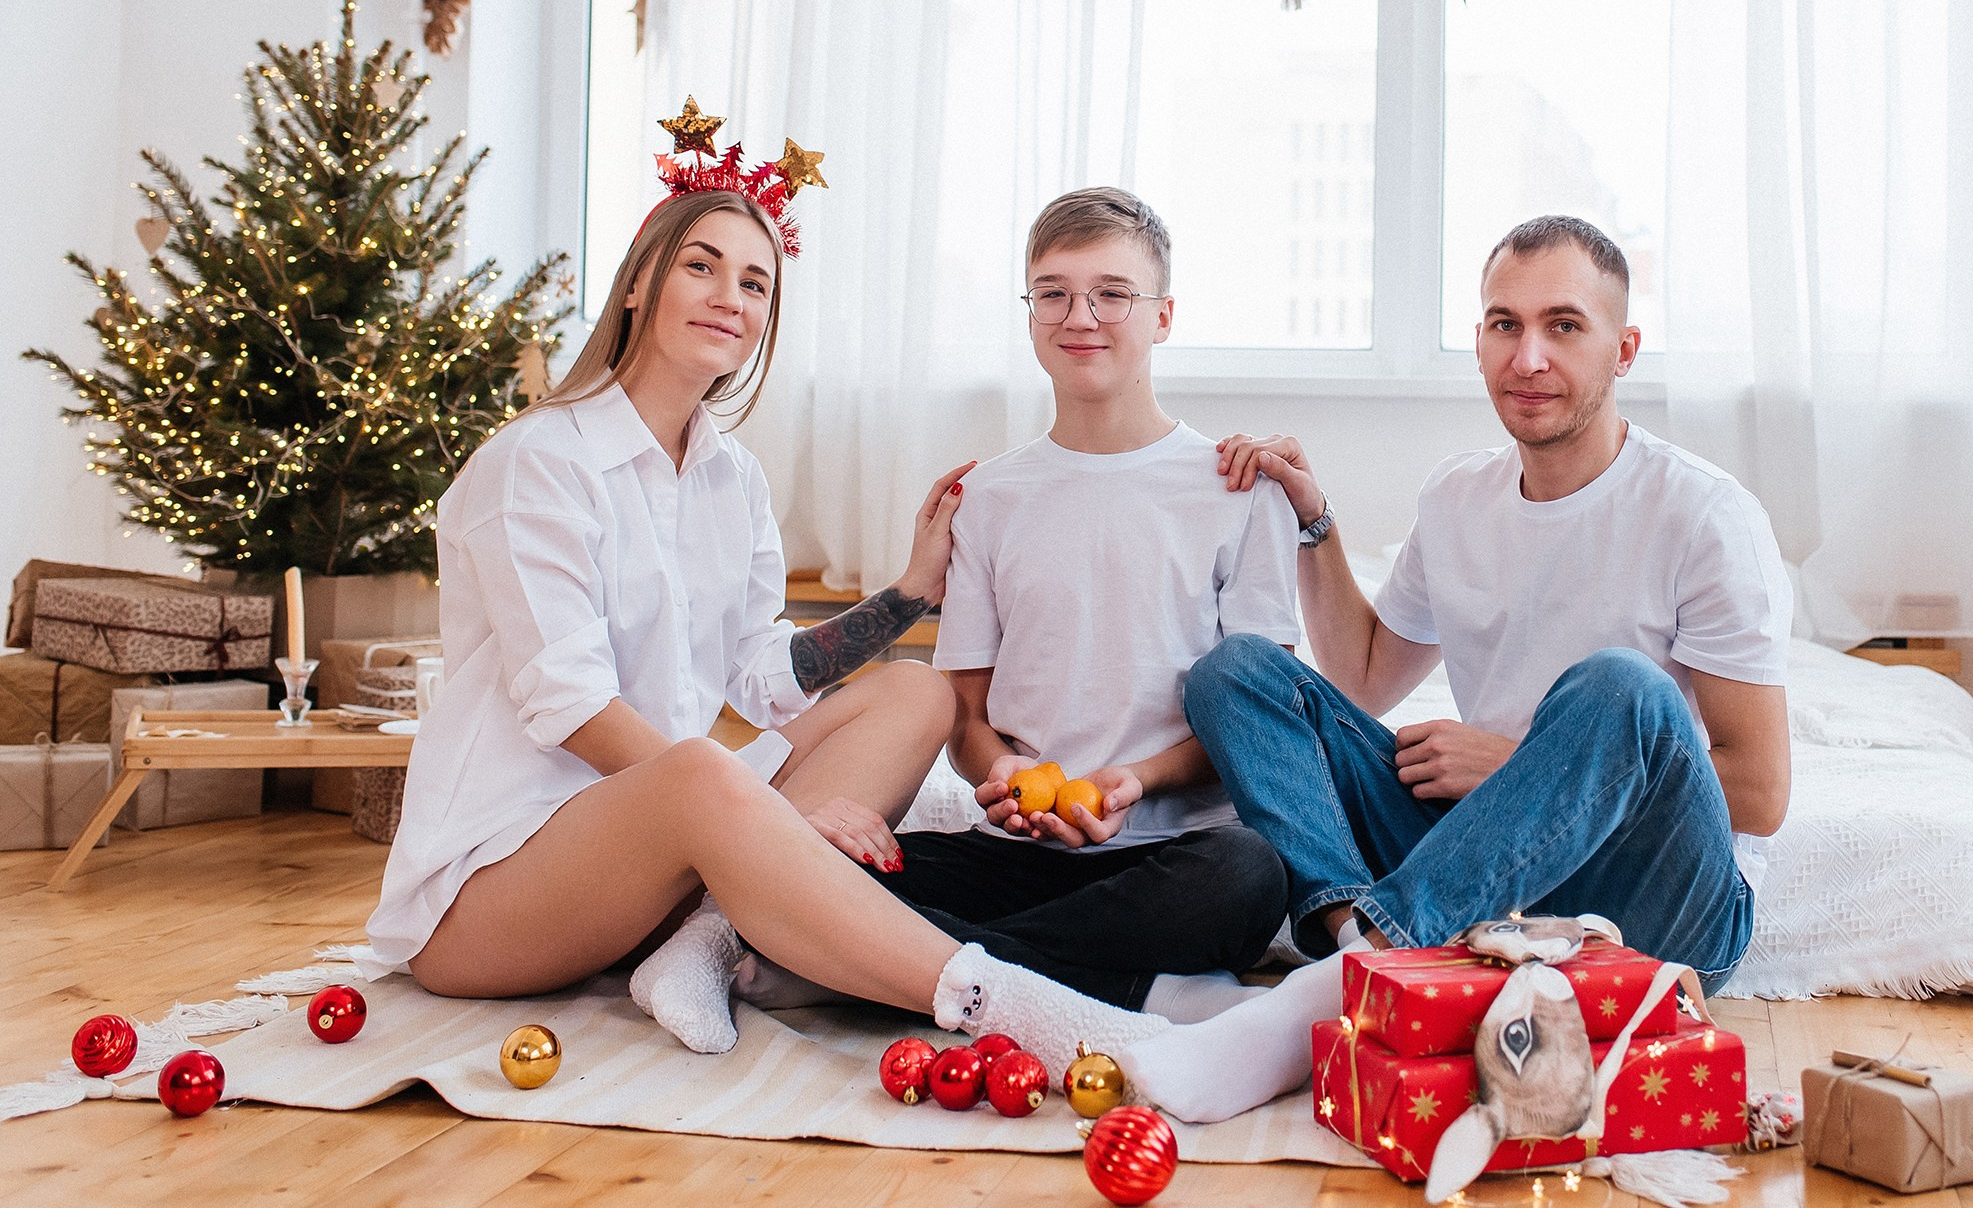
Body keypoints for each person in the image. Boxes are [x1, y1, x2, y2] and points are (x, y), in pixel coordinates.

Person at [356, 127, 1172, 1075]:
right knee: (704, 771)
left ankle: (703, 945)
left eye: (754, 282)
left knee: (917, 694)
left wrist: (909, 594)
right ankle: (1008, 1002)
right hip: (490, 899)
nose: (730, 297)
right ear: (636, 285)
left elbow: (761, 674)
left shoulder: (730, 477)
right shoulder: (537, 462)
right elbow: (569, 703)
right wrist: (768, 817)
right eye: (701, 266)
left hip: (660, 862)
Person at [1107, 214, 1794, 1124]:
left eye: (1564, 325)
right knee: (1235, 672)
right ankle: (1358, 941)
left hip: (1655, 904)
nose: (1529, 356)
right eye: (1504, 324)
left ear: (1623, 349)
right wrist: (1315, 522)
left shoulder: (1705, 515)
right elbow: (1357, 677)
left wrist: (1513, 761)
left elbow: (1760, 791)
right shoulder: (1458, 495)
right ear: (1478, 340)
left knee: (1624, 685)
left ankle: (1341, 982)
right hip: (1481, 868)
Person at [737, 188, 1295, 1024]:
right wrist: (997, 773)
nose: (1082, 316)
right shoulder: (991, 495)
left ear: (1164, 315)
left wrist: (1135, 782)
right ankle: (1120, 985)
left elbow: (1256, 721)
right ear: (1030, 310)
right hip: (1016, 850)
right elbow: (965, 719)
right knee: (820, 867)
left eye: (1113, 293)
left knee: (1253, 873)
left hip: (1174, 852)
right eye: (1053, 292)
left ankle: (921, 969)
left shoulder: (1236, 486)